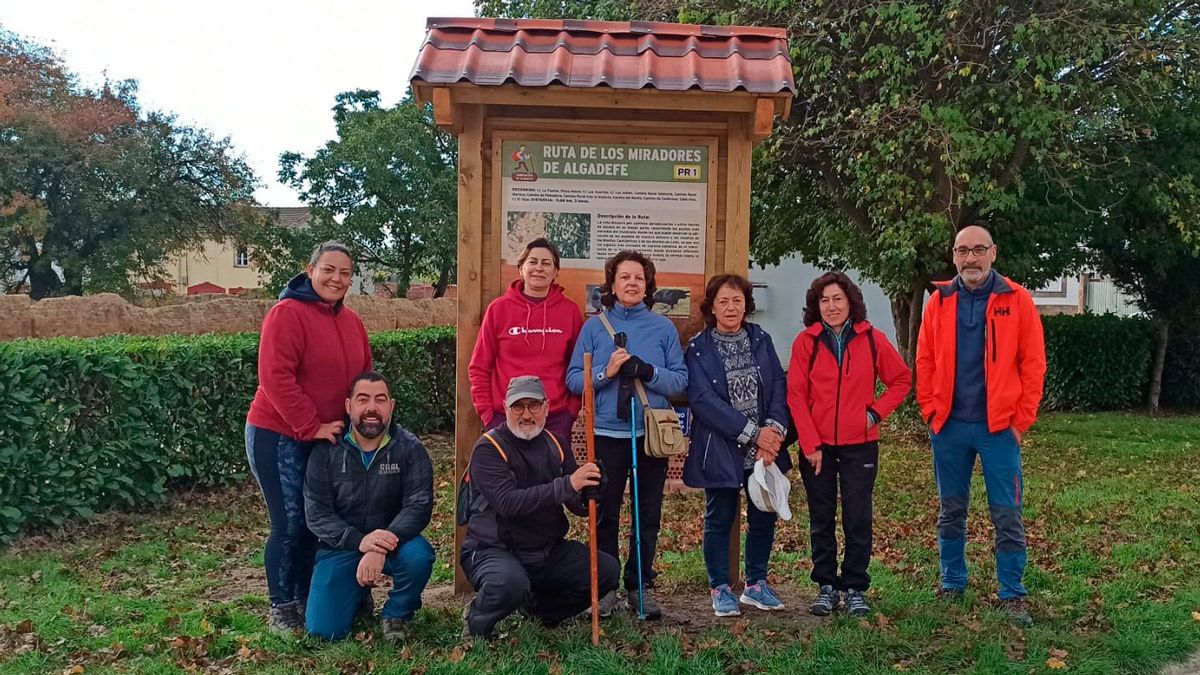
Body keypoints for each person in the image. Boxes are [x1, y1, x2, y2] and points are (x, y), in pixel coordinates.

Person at [916, 225, 1046, 628]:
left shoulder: (1017, 299)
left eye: (978, 250)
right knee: (950, 511)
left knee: (1007, 513)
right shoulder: (939, 301)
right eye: (962, 251)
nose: (970, 259)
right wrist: (931, 413)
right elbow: (924, 361)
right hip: (950, 427)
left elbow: (1033, 364)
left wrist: (1020, 421)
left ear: (993, 252)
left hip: (999, 430)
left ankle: (1012, 594)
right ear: (953, 256)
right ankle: (953, 583)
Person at [245, 241, 373, 633]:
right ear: (310, 269)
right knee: (291, 523)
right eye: (329, 270)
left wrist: (362, 419)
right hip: (279, 434)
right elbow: (275, 376)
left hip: (329, 438)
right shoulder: (286, 314)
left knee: (322, 522)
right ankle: (282, 606)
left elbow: (364, 375)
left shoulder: (351, 321)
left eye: (345, 273)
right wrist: (309, 425)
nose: (337, 279)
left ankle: (310, 597)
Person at [566, 250, 688, 620]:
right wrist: (607, 371)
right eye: (624, 277)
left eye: (638, 277)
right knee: (604, 513)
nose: (632, 283)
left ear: (648, 285)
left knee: (646, 512)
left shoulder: (663, 328)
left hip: (648, 433)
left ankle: (640, 586)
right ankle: (605, 588)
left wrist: (648, 372)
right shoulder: (593, 327)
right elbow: (574, 381)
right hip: (607, 434)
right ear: (613, 284)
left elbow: (681, 380)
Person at [787, 271, 911, 618]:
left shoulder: (871, 338)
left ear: (850, 301)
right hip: (818, 447)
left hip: (861, 444)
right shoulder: (805, 342)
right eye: (824, 300)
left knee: (858, 516)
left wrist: (875, 414)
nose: (831, 306)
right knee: (821, 517)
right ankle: (826, 586)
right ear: (816, 306)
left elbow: (901, 379)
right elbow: (796, 396)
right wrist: (809, 443)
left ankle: (855, 586)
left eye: (837, 299)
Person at [461, 375, 619, 640]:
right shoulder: (489, 449)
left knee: (607, 571)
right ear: (505, 408)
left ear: (546, 408)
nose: (526, 415)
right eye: (518, 407)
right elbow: (509, 503)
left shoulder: (557, 444)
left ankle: (539, 610)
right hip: (494, 549)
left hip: (547, 551)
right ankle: (476, 621)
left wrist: (593, 492)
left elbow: (576, 505)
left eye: (533, 406)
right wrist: (569, 484)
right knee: (509, 584)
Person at [681, 274, 792, 617]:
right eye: (724, 301)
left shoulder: (760, 339)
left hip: (763, 449)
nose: (731, 307)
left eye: (738, 300)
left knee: (764, 513)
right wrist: (752, 433)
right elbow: (702, 400)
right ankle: (720, 588)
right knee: (720, 516)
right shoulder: (699, 348)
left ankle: (756, 584)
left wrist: (771, 433)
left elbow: (777, 384)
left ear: (747, 304)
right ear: (712, 307)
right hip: (722, 446)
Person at [303, 371, 435, 642]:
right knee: (324, 631)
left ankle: (397, 613)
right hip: (340, 546)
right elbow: (316, 513)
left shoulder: (410, 448)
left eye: (380, 400)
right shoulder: (326, 451)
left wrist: (379, 545)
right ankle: (358, 594)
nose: (372, 408)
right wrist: (361, 542)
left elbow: (419, 505)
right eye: (363, 399)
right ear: (349, 406)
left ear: (391, 406)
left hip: (395, 542)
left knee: (419, 556)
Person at [469, 238, 583, 445]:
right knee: (506, 477)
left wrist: (570, 413)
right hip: (505, 416)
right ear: (521, 268)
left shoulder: (570, 312)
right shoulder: (498, 309)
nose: (539, 268)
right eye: (533, 262)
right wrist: (488, 414)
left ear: (556, 271)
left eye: (546, 263)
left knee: (553, 478)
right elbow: (479, 367)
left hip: (554, 418)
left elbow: (579, 368)